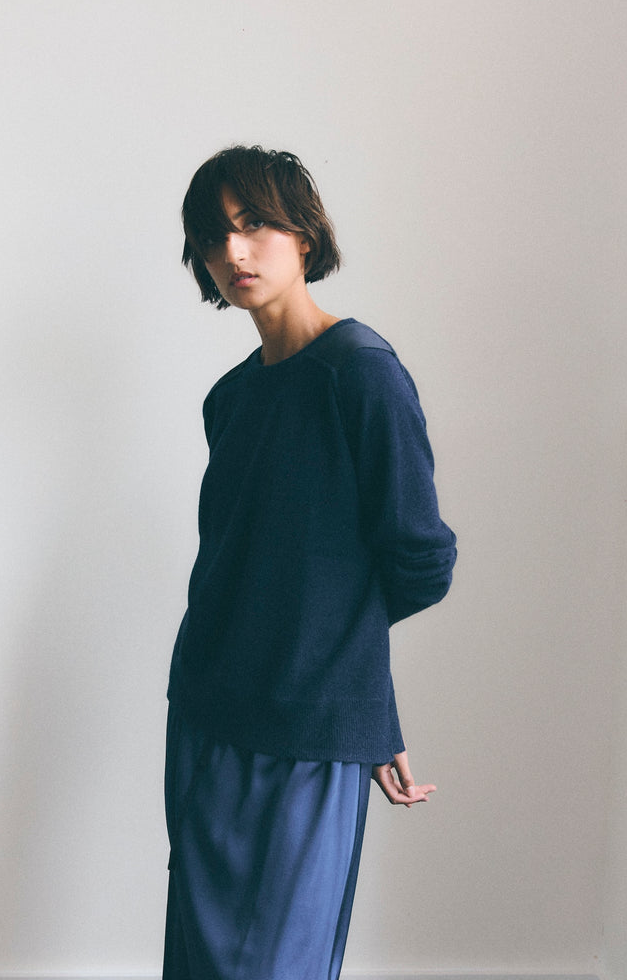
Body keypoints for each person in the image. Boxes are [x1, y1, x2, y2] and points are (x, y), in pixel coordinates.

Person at [163, 145, 456, 980]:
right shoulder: (232, 399)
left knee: (272, 965)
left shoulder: (360, 374)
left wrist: (355, 703)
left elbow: (418, 559)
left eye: (254, 222)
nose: (234, 252)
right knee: (199, 959)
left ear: (304, 234)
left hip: (301, 728)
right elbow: (247, 566)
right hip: (207, 710)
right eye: (214, 234)